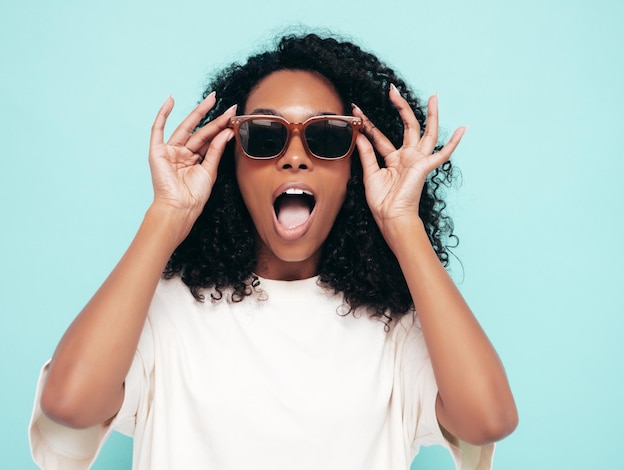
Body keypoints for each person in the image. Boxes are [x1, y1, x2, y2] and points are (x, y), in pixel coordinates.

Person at [29, 32, 518, 469]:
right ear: (231, 162)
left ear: (355, 168)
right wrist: (166, 215)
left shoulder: (395, 328)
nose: (295, 157)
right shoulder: (163, 313)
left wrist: (401, 223)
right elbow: (70, 404)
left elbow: (487, 420)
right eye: (264, 136)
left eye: (327, 137)